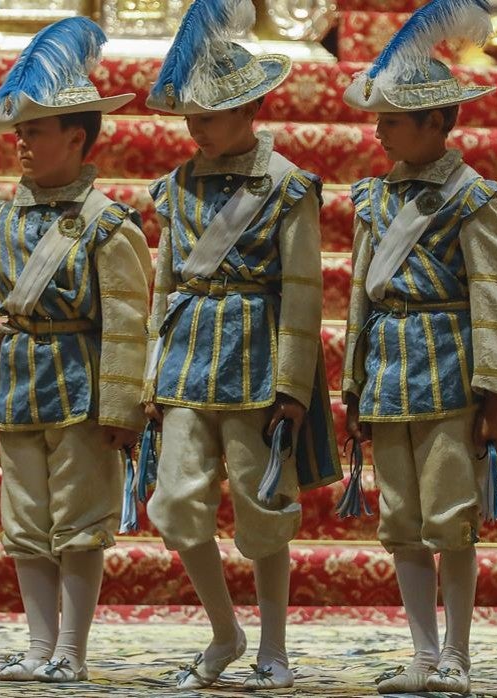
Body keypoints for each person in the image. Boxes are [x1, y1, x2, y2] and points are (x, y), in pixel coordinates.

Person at [0, 17, 151, 684]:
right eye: (20, 130)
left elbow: (129, 324)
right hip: (18, 387)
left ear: (76, 138)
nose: (21, 141)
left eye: (36, 131)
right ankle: (40, 645)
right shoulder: (3, 222)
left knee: (79, 524)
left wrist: (123, 407)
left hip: (81, 390)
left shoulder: (108, 226)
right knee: (24, 525)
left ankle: (71, 650)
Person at [340, 0, 497, 692]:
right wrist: (352, 381)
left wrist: (495, 390)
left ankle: (457, 653)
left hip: (452, 369)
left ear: (436, 122)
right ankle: (422, 654)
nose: (379, 132)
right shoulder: (372, 200)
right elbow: (360, 298)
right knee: (400, 522)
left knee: (452, 520)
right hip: (389, 373)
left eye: (392, 121)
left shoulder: (474, 199)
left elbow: (496, 296)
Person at [140, 0, 340, 689]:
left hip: (257, 363)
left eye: (210, 115)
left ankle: (275, 647)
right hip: (186, 363)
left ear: (249, 109)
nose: (195, 127)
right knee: (173, 504)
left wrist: (294, 386)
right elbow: (163, 287)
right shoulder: (174, 186)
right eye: (191, 115)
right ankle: (226, 631)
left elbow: (304, 290)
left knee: (264, 513)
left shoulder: (287, 187)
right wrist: (149, 376)